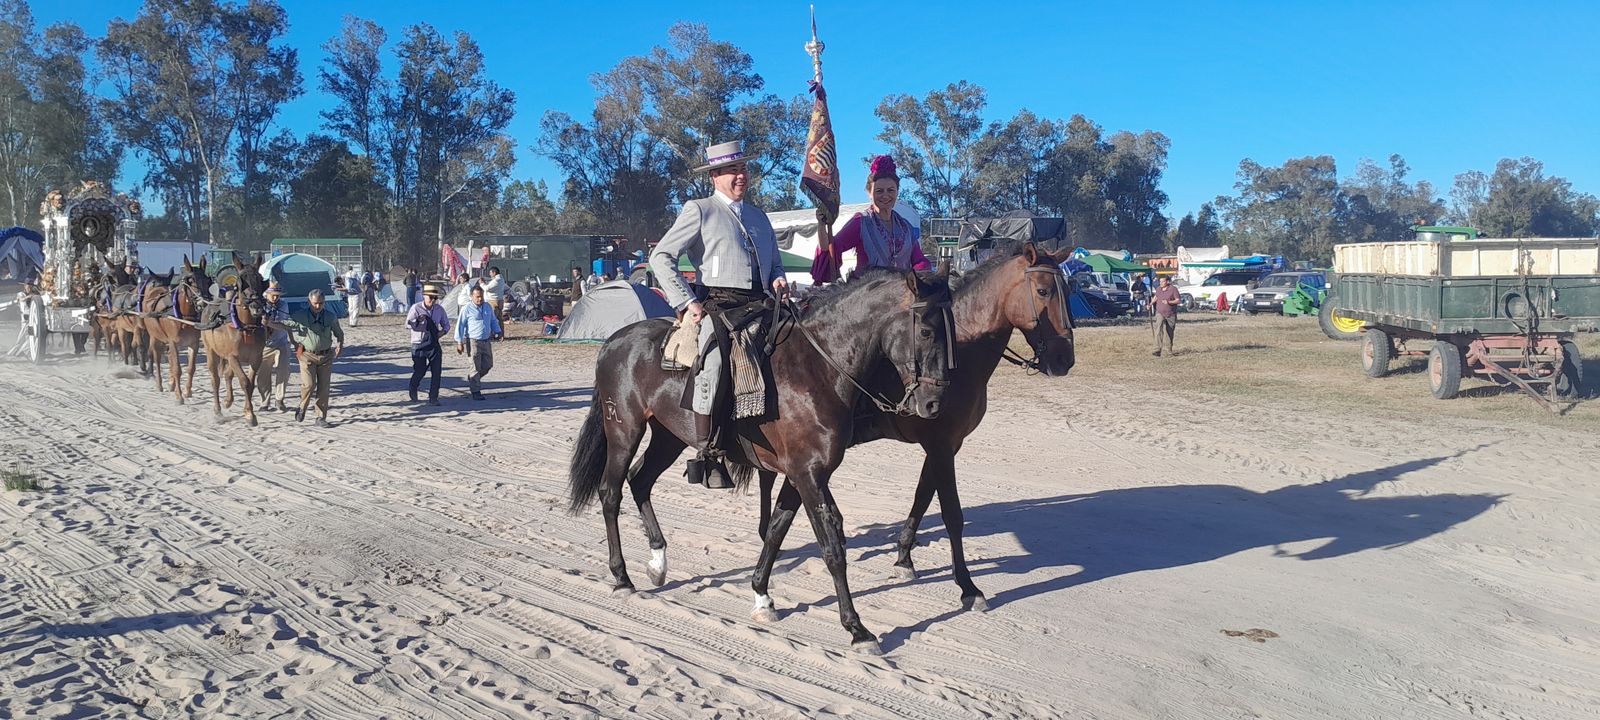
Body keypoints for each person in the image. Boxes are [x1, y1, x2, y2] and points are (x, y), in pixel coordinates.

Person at [648, 139, 787, 490]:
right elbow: (660, 257)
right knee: (715, 361)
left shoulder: (759, 215)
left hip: (763, 303)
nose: (741, 176)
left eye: (744, 169)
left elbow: (775, 262)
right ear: (715, 176)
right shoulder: (700, 209)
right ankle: (709, 452)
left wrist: (779, 277)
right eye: (732, 171)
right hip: (719, 305)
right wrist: (686, 302)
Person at [811, 154, 931, 282]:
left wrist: (920, 274)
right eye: (879, 191)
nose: (885, 196)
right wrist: (821, 225)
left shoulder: (905, 227)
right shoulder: (860, 222)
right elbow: (831, 248)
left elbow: (919, 260)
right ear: (869, 193)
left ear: (897, 191)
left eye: (890, 190)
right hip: (867, 293)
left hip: (901, 293)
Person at [285, 288, 344, 427]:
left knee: (324, 388)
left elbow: (339, 333)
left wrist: (340, 345)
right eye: (315, 303)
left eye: (321, 303)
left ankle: (320, 417)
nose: (318, 306)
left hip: (326, 356)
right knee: (309, 385)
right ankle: (302, 407)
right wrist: (268, 322)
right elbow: (284, 324)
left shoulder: (330, 316)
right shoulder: (299, 316)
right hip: (307, 355)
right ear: (309, 302)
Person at [455, 284, 503, 400]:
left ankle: (473, 379)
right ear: (471, 296)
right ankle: (476, 391)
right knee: (475, 366)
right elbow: (460, 325)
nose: (479, 299)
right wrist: (459, 342)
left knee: (488, 365)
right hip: (473, 341)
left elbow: (493, 320)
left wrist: (498, 331)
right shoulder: (466, 309)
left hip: (486, 341)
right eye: (477, 297)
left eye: (481, 296)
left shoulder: (487, 307)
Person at [406, 281, 450, 405]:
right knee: (420, 371)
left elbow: (446, 326)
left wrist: (439, 335)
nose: (433, 300)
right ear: (424, 296)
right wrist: (417, 321)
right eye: (430, 297)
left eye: (435, 298)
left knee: (437, 371)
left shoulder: (439, 309)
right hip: (418, 343)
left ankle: (433, 397)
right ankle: (413, 387)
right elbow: (407, 324)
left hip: (433, 344)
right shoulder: (416, 308)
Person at [260, 282, 293, 412]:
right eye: (272, 295)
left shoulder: (283, 304)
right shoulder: (260, 304)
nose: (275, 298)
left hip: (281, 342)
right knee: (263, 375)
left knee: (284, 371)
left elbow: (283, 324)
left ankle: (279, 399)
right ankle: (264, 402)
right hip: (264, 346)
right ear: (267, 294)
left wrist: (269, 323)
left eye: (277, 295)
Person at [1152, 275, 1181, 357]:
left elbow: (1178, 300)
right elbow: (1156, 297)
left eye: (1163, 281)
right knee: (1158, 329)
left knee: (1169, 332)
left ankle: (1168, 350)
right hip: (1159, 312)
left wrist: (1169, 302)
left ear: (1167, 281)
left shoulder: (1173, 289)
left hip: (1170, 313)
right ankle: (1157, 349)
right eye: (1160, 281)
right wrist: (1150, 304)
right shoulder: (1158, 289)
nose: (1161, 283)